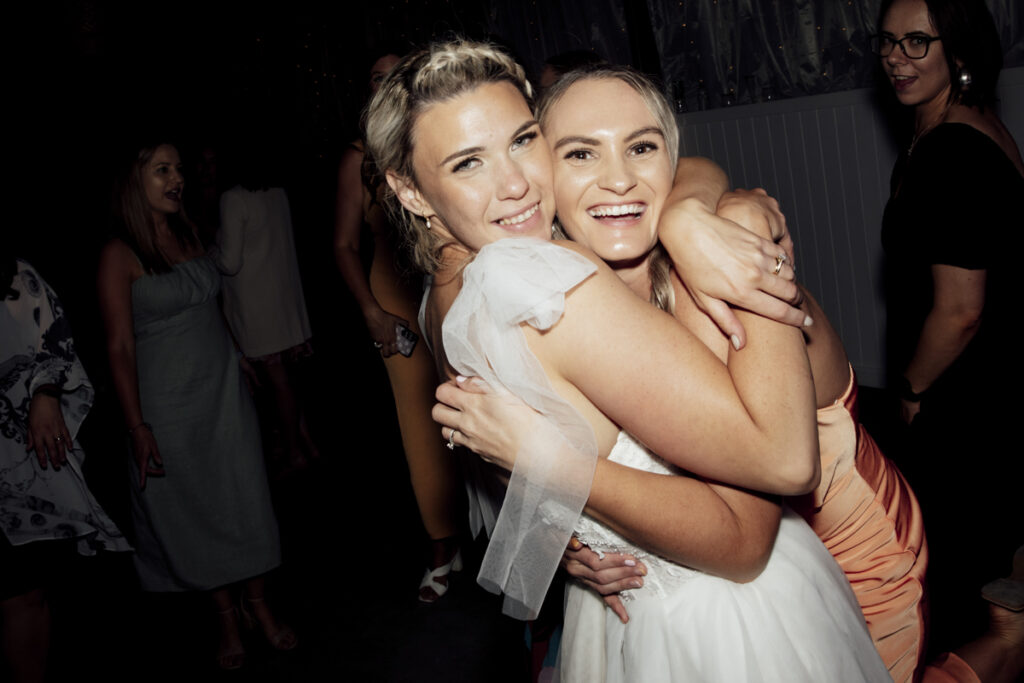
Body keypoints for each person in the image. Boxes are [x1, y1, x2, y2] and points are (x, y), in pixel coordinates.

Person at [364, 39, 888, 681]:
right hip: (723, 620)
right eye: (468, 163)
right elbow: (779, 467)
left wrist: (697, 208)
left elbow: (517, 485)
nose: (516, 183)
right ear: (410, 190)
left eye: (522, 141)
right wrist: (743, 222)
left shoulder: (447, 301)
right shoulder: (538, 276)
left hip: (627, 624)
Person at [97, 142, 295, 670]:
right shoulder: (120, 253)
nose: (176, 178)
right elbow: (117, 346)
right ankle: (226, 619)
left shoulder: (189, 232)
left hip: (223, 392)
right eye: (162, 170)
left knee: (245, 497)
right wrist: (136, 425)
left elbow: (213, 306)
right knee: (195, 510)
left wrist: (237, 353)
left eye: (178, 169)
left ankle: (260, 606)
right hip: (168, 405)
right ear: (133, 180)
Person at [876, 0, 1024, 664]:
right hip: (994, 388)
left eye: (915, 43)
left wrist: (909, 389)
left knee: (957, 584)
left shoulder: (950, 152)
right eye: (886, 42)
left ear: (957, 52)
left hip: (964, 400)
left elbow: (961, 309)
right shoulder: (967, 127)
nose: (895, 58)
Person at [335, 48, 463, 601]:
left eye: (397, 74)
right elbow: (341, 244)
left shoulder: (438, 135)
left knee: (476, 407)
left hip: (449, 284)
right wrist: (370, 311)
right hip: (394, 299)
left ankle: (490, 536)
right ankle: (441, 546)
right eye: (375, 77)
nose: (386, 84)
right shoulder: (358, 159)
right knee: (421, 426)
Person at [2, 257, 131, 683]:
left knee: (24, 591)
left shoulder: (19, 276)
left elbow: (53, 345)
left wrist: (45, 392)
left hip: (12, 466)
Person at [217, 141, 317, 474]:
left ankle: (293, 450)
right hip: (284, 306)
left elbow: (229, 263)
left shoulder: (234, 198)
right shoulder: (277, 192)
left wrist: (205, 249)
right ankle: (304, 441)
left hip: (257, 311)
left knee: (279, 385)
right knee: (287, 382)